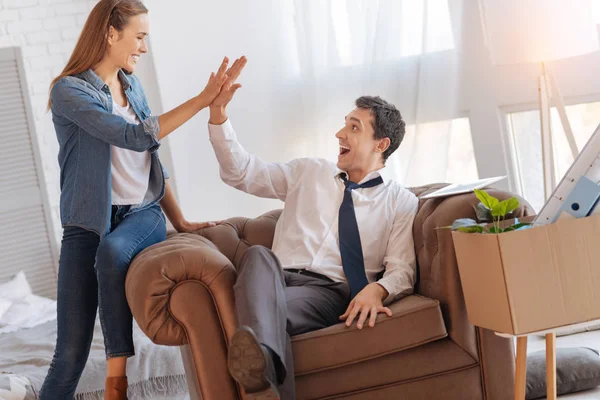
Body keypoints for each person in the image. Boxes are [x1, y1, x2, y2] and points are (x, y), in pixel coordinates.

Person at [38, 1, 246, 399]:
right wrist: (202, 99)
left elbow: (150, 160)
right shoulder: (69, 92)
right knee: (67, 358)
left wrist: (180, 221)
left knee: (113, 252)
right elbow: (134, 136)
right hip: (86, 224)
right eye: (139, 37)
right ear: (110, 34)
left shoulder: (132, 86)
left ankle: (117, 382)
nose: (144, 48)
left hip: (141, 214)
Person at [207, 68, 419, 399]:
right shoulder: (309, 171)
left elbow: (402, 268)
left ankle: (257, 362)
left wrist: (377, 290)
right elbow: (242, 173)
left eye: (353, 127)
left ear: (382, 143)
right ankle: (262, 366)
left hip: (325, 292)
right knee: (257, 257)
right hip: (273, 279)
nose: (339, 133)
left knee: (257, 319)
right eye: (343, 123)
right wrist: (218, 114)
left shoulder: (400, 201)